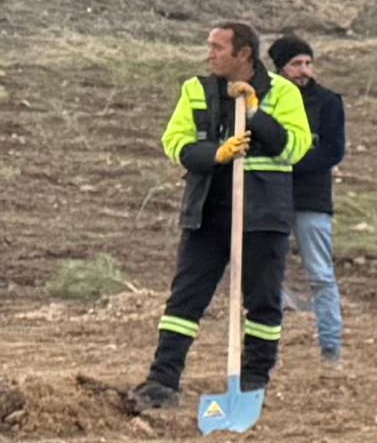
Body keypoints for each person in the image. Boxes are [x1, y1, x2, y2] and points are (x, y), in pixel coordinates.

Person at [132, 22, 301, 414]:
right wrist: (216, 154)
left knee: (262, 302)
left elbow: (293, 147)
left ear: (244, 54)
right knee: (185, 300)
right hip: (207, 210)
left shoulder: (282, 92)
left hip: (262, 213)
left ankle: (253, 383)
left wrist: (256, 114)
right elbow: (175, 143)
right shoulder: (196, 90)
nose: (209, 54)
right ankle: (162, 381)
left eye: (218, 48)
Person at [270, 35, 352, 364]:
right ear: (280, 69)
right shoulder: (269, 101)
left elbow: (332, 151)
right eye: (296, 64)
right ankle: (267, 352)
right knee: (267, 275)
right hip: (272, 198)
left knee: (320, 274)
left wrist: (288, 161)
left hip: (312, 200)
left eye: (307, 62)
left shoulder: (329, 102)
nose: (304, 70)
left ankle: (331, 349)